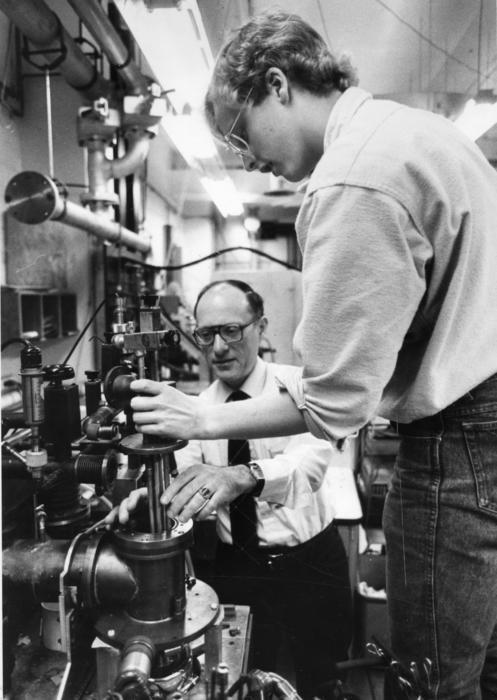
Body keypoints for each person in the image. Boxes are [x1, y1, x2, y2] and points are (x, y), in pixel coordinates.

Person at [128, 11, 497, 700]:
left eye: (240, 134)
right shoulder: (417, 134)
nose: (244, 160)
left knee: (433, 682)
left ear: (277, 85)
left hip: (459, 441)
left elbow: (332, 408)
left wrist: (197, 422)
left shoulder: (352, 183)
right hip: (485, 422)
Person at [111, 279, 353, 699]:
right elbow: (183, 483)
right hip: (236, 571)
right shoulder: (196, 410)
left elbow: (306, 468)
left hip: (309, 565)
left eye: (231, 330)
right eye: (206, 335)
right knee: (243, 678)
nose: (218, 347)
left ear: (261, 326)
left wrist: (240, 475)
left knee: (323, 677)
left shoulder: (299, 389)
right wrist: (154, 499)